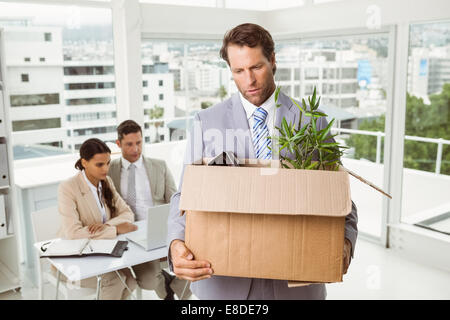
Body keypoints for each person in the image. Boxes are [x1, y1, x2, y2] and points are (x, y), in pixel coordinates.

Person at [167, 23, 358, 300]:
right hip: (224, 282)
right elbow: (184, 195)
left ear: (273, 61)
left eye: (256, 67)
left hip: (296, 282)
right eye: (238, 71)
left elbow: (339, 198)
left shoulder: (313, 123)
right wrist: (175, 243)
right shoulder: (206, 122)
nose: (249, 80)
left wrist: (345, 243)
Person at [108, 119, 191, 300]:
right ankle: (168, 292)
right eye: (129, 144)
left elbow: (175, 201)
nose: (135, 149)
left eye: (139, 143)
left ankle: (175, 288)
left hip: (160, 229)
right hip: (130, 234)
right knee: (149, 281)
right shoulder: (109, 171)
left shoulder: (159, 166)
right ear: (118, 144)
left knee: (193, 264)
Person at [57, 138, 138, 300]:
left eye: (108, 163)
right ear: (84, 162)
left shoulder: (106, 182)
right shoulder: (68, 187)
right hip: (74, 257)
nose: (106, 169)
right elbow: (73, 233)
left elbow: (128, 214)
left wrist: (107, 225)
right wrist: (114, 229)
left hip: (101, 251)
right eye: (99, 165)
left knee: (130, 280)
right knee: (114, 282)